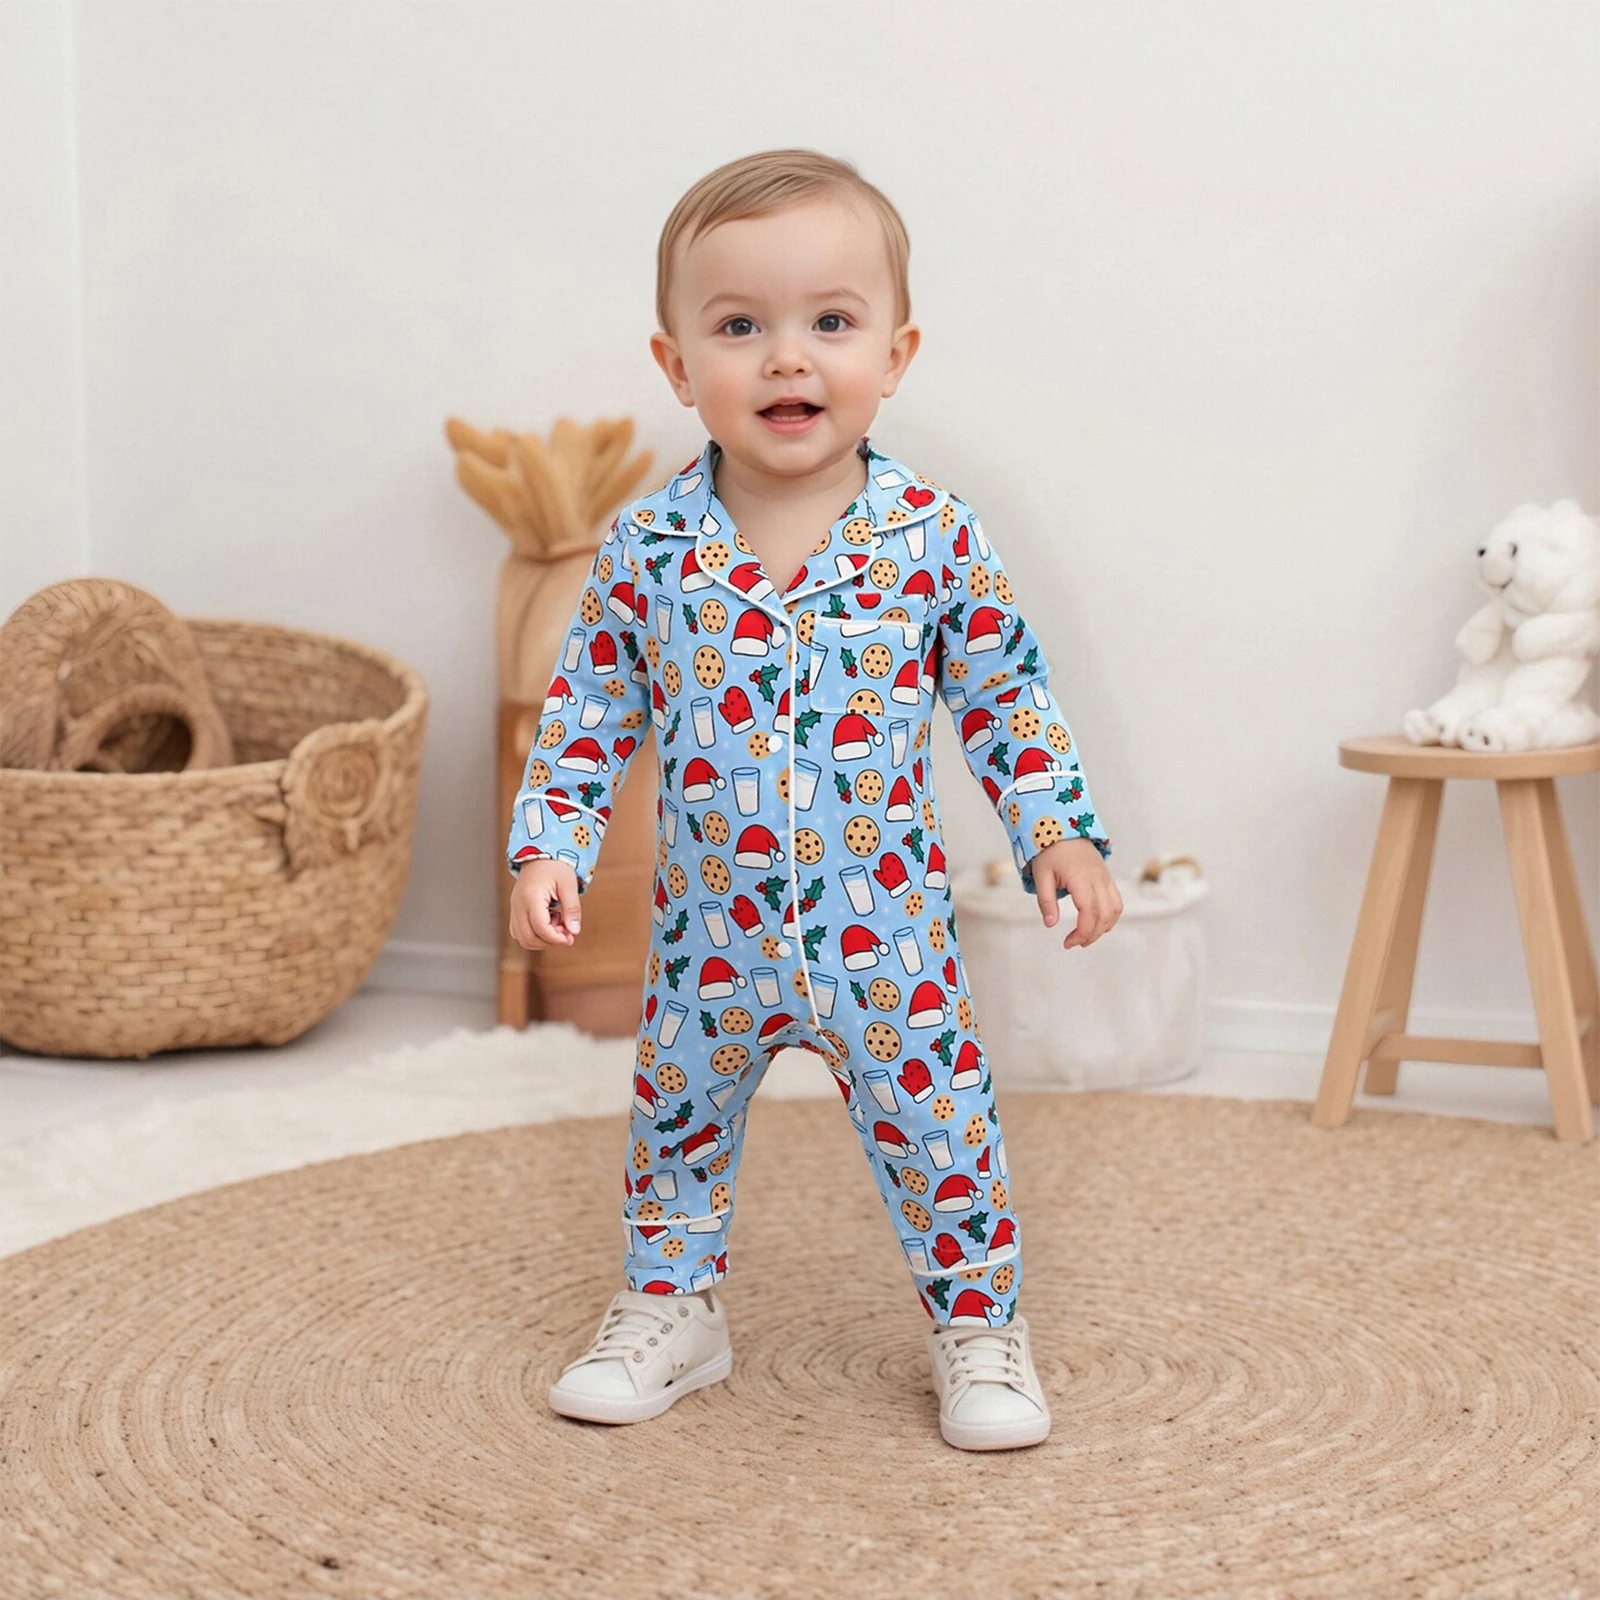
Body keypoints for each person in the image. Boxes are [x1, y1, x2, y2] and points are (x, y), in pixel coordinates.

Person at [506, 148, 1122, 1451]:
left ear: (895, 355)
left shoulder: (933, 539)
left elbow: (1005, 696)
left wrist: (1057, 830)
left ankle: (978, 1324)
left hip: (886, 936)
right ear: (678, 365)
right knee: (675, 1123)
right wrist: (551, 844)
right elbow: (589, 708)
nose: (787, 358)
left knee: (941, 1127)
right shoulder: (649, 549)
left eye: (830, 323)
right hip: (708, 939)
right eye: (740, 327)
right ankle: (671, 1305)